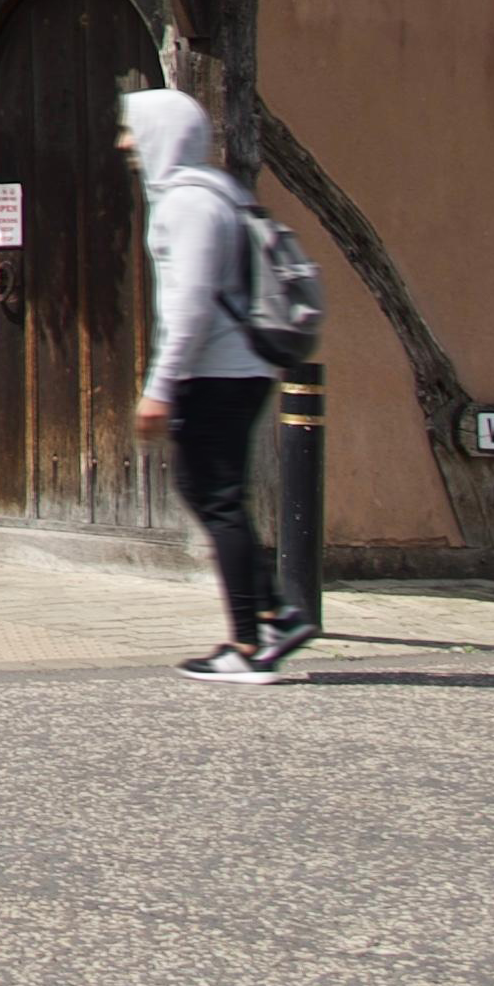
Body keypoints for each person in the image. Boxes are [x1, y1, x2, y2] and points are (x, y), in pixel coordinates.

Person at [122, 86, 298, 679]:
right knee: (212, 495)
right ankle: (274, 612)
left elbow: (191, 305)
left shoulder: (189, 203)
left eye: (133, 130)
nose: (125, 142)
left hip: (218, 370)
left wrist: (160, 386)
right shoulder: (217, 190)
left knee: (216, 499)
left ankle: (250, 644)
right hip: (238, 367)